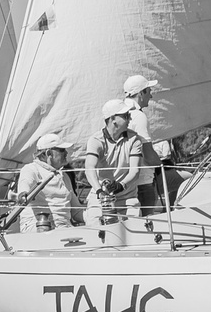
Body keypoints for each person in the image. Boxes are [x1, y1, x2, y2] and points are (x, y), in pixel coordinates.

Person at [87, 99, 159, 230]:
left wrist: (120, 185)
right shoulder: (95, 140)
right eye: (126, 115)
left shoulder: (134, 140)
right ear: (113, 119)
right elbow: (89, 168)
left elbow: (135, 171)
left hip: (128, 197)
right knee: (94, 230)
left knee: (136, 231)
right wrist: (99, 191)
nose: (130, 118)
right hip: (99, 198)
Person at [10, 131, 83, 231]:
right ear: (48, 153)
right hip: (37, 225)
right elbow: (24, 189)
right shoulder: (31, 169)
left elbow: (76, 211)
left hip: (64, 227)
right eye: (62, 150)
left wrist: (97, 216)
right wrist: (23, 195)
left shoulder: (64, 176)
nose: (66, 153)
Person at [121, 75, 171, 206]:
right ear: (141, 93)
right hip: (143, 184)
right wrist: (163, 166)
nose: (151, 96)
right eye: (149, 91)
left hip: (125, 183)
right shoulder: (138, 116)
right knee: (147, 222)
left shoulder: (118, 114)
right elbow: (147, 154)